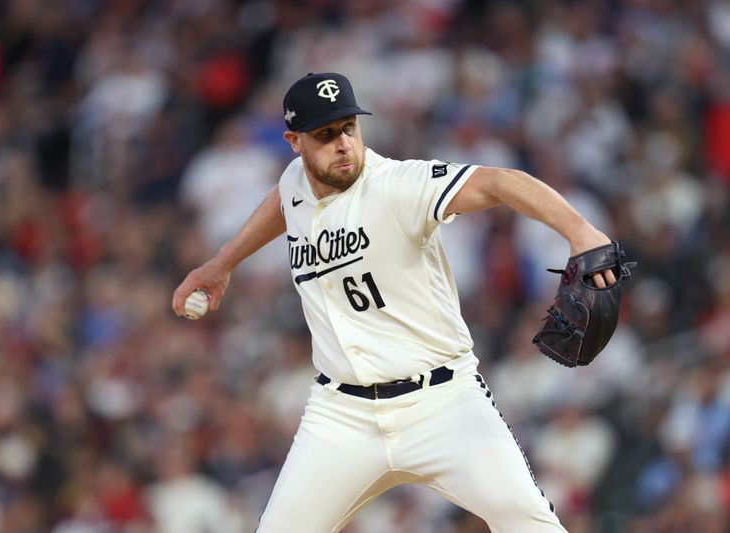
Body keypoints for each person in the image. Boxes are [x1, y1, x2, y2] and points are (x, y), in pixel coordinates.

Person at [172, 72, 618, 532]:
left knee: (530, 523)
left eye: (349, 127)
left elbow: (499, 182)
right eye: (325, 134)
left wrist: (580, 231)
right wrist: (223, 263)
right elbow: (284, 200)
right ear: (295, 142)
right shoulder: (295, 183)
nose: (343, 143)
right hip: (341, 417)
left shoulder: (397, 185)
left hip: (443, 403)